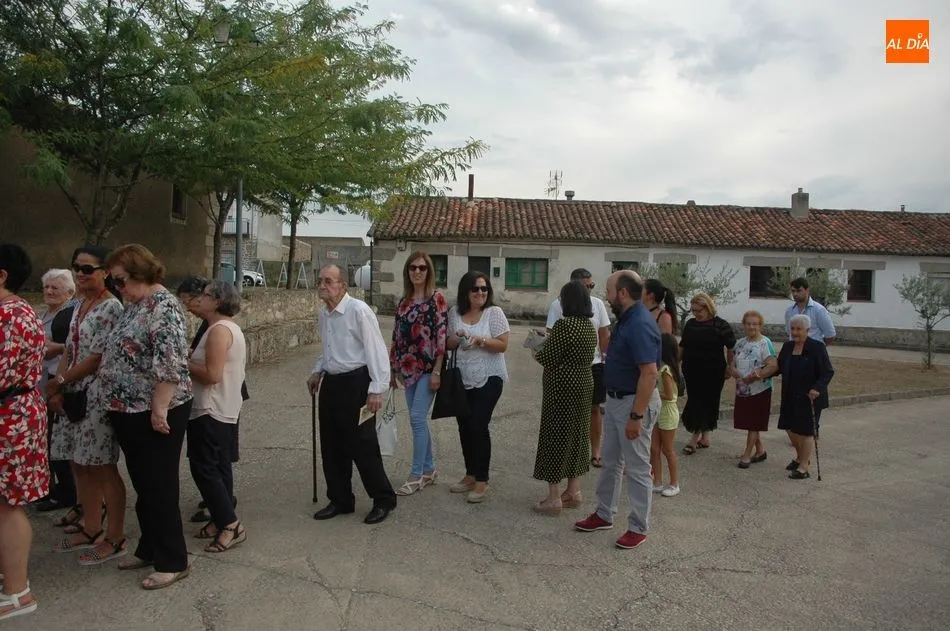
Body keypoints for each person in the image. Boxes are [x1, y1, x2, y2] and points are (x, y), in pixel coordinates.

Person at [99, 244, 193, 590]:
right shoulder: (136, 304)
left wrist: (159, 410)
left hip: (154, 409)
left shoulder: (164, 307)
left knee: (160, 486)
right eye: (113, 282)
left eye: (120, 280)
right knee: (145, 484)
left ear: (140, 273)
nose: (116, 287)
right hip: (129, 409)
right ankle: (150, 547)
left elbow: (170, 364)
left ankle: (174, 559)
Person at [46, 246, 128, 566]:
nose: (80, 274)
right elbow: (69, 348)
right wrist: (58, 386)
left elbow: (96, 357)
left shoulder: (111, 308)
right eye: (76, 268)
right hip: (73, 392)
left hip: (95, 395)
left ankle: (116, 536)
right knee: (78, 462)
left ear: (105, 272)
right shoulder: (79, 304)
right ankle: (91, 526)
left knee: (101, 465)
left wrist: (59, 381)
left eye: (87, 269)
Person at [574, 270, 661, 551]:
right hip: (615, 400)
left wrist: (636, 416)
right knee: (611, 461)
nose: (606, 297)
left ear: (622, 293)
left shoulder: (639, 324)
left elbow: (649, 373)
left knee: (637, 468)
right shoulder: (626, 319)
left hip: (633, 403)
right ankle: (604, 513)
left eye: (609, 291)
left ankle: (638, 527)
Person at [307, 265, 396, 525]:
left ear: (342, 285)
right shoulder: (324, 314)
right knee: (332, 444)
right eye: (320, 281)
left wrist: (377, 389)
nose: (322, 286)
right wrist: (317, 371)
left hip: (357, 383)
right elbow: (327, 349)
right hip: (332, 384)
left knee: (363, 445)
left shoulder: (359, 310)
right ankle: (340, 499)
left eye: (328, 281)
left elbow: (375, 349)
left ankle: (383, 499)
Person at [0, 244, 48, 620]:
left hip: (10, 415)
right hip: (13, 411)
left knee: (7, 503)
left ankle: (18, 592)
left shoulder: (11, 314)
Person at [177, 276, 245, 523]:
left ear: (217, 301)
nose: (200, 299)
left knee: (206, 468)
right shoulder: (222, 328)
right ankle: (221, 518)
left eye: (205, 295)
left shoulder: (219, 331)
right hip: (218, 407)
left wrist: (181, 363)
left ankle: (227, 523)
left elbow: (212, 375)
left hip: (211, 408)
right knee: (214, 465)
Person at [531, 280, 597, 514]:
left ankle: (553, 497)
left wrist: (535, 346)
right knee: (577, 435)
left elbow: (548, 358)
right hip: (584, 382)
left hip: (562, 386)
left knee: (555, 435)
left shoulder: (564, 325)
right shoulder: (588, 326)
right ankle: (574, 491)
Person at [446, 271, 510, 503]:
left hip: (489, 377)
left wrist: (481, 340)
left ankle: (482, 480)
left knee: (478, 425)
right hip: (462, 378)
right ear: (466, 291)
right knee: (464, 426)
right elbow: (449, 344)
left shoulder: (494, 313)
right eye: (475, 289)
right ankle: (470, 474)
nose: (481, 293)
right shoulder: (455, 313)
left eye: (484, 289)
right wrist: (459, 336)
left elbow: (503, 345)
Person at [389, 252, 447, 496]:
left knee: (416, 418)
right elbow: (396, 337)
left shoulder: (437, 299)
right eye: (412, 268)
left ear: (429, 271)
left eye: (422, 268)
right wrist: (392, 368)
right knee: (418, 420)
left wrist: (437, 372)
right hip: (407, 369)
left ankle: (416, 475)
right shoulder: (404, 302)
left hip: (427, 369)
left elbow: (441, 339)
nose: (417, 272)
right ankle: (429, 469)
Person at [546, 268, 610, 468]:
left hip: (594, 364)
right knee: (568, 413)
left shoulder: (597, 304)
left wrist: (605, 358)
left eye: (592, 285)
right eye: (586, 286)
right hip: (566, 367)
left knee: (594, 409)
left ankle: (595, 451)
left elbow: (604, 333)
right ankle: (570, 453)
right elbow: (551, 334)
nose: (590, 289)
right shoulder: (558, 305)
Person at [32, 269, 77, 512]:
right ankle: (49, 487)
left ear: (69, 292)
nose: (49, 291)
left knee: (56, 439)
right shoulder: (43, 314)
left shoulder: (69, 315)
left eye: (55, 288)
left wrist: (56, 348)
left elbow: (69, 347)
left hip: (57, 381)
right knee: (44, 439)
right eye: (46, 287)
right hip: (39, 383)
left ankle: (66, 492)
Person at [777, 314, 834, 480]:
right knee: (788, 426)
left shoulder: (817, 347)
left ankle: (804, 467)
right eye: (792, 329)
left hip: (810, 396)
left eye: (798, 329)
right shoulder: (788, 346)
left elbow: (827, 372)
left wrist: (817, 388)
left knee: (806, 431)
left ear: (807, 330)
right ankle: (800, 457)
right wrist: (761, 373)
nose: (795, 332)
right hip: (790, 393)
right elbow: (779, 366)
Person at [679, 293, 736, 454]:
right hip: (691, 370)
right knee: (695, 400)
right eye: (693, 310)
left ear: (708, 308)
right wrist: (675, 364)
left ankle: (694, 438)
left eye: (699, 310)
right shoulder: (690, 324)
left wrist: (730, 366)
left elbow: (731, 347)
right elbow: (682, 345)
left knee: (706, 402)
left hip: (713, 371)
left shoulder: (721, 325)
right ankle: (705, 437)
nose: (696, 314)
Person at [730, 311, 779, 469]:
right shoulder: (740, 343)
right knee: (749, 422)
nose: (751, 327)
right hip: (743, 390)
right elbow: (732, 364)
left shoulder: (765, 343)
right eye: (748, 323)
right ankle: (760, 451)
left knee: (753, 423)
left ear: (760, 326)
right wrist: (733, 371)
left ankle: (747, 454)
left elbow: (773, 365)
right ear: (743, 325)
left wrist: (757, 375)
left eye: (755, 324)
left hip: (760, 390)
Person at [650, 333, 681, 497]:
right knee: (654, 448)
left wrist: (652, 392)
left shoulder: (666, 371)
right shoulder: (661, 368)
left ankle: (674, 483)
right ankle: (657, 481)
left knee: (667, 449)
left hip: (667, 411)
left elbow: (669, 395)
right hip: (658, 409)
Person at [784, 277, 836, 344]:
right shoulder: (789, 311)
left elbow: (830, 335)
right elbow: (789, 333)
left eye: (799, 290)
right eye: (793, 291)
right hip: (795, 349)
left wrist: (819, 347)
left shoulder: (819, 310)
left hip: (814, 349)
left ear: (807, 290)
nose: (795, 294)